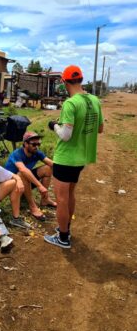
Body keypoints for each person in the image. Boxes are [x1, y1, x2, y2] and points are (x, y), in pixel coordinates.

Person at [44, 65, 104, 249]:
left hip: (66, 158)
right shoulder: (94, 100)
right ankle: (65, 228)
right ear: (81, 80)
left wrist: (53, 125)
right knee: (70, 194)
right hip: (81, 158)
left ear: (64, 81)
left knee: (61, 198)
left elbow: (66, 135)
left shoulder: (70, 103)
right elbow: (100, 129)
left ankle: (63, 238)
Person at [5, 131, 57, 221]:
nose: (36, 146)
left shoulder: (37, 152)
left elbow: (51, 164)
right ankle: (32, 206)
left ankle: (45, 199)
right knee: (23, 173)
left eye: (38, 144)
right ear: (25, 144)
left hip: (24, 182)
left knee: (47, 168)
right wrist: (39, 185)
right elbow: (23, 170)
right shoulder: (17, 154)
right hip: (12, 184)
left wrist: (68, 169)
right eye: (33, 144)